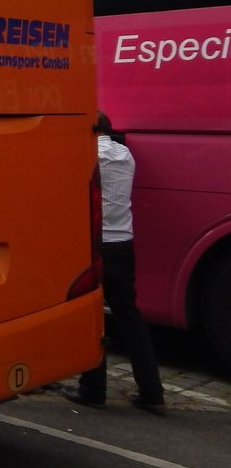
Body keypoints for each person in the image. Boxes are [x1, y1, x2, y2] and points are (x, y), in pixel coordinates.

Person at [64, 111, 167, 415]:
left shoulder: (86, 154)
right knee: (130, 316)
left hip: (95, 246)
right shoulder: (126, 155)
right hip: (124, 242)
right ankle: (152, 391)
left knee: (94, 315)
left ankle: (93, 388)